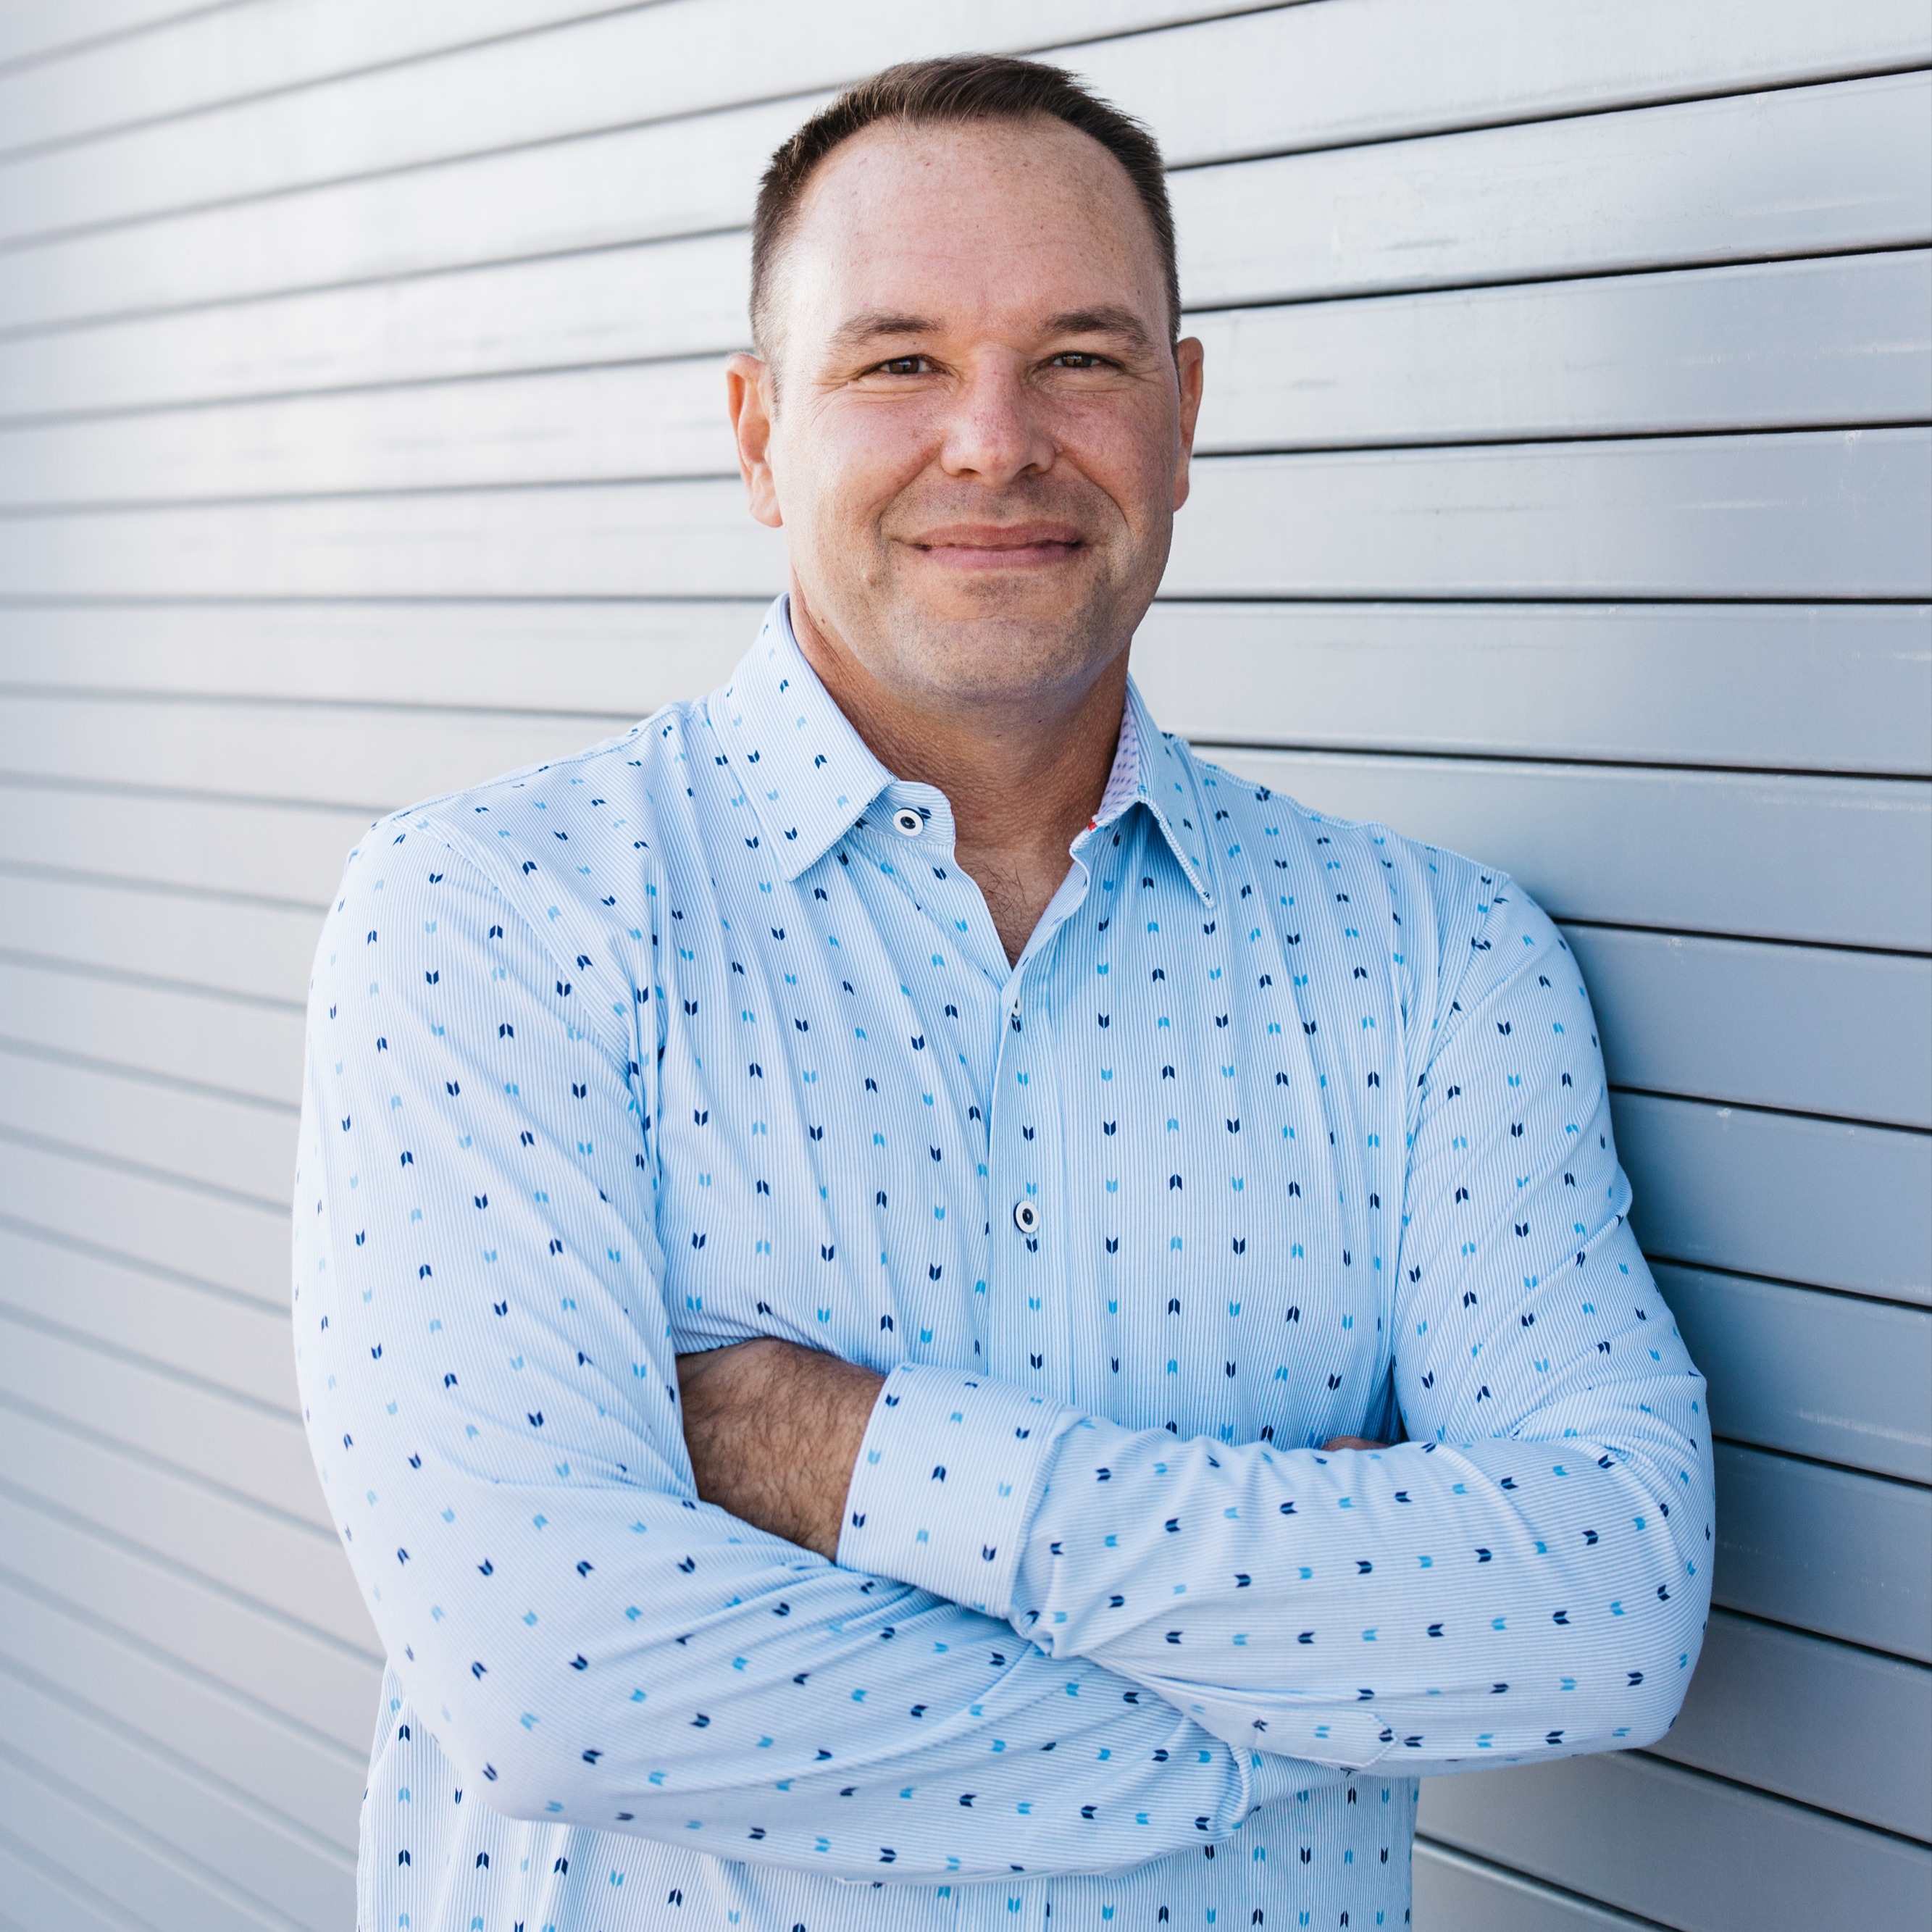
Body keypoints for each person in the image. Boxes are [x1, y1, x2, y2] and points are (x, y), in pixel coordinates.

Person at [294, 54, 1713, 1932]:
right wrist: (1302, 1697)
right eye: (895, 360)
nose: (993, 438)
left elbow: (1600, 1608)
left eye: (1082, 356)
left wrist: (861, 1456)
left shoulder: (1433, 963)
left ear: (1183, 415)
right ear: (753, 431)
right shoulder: (495, 917)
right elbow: (557, 1680)